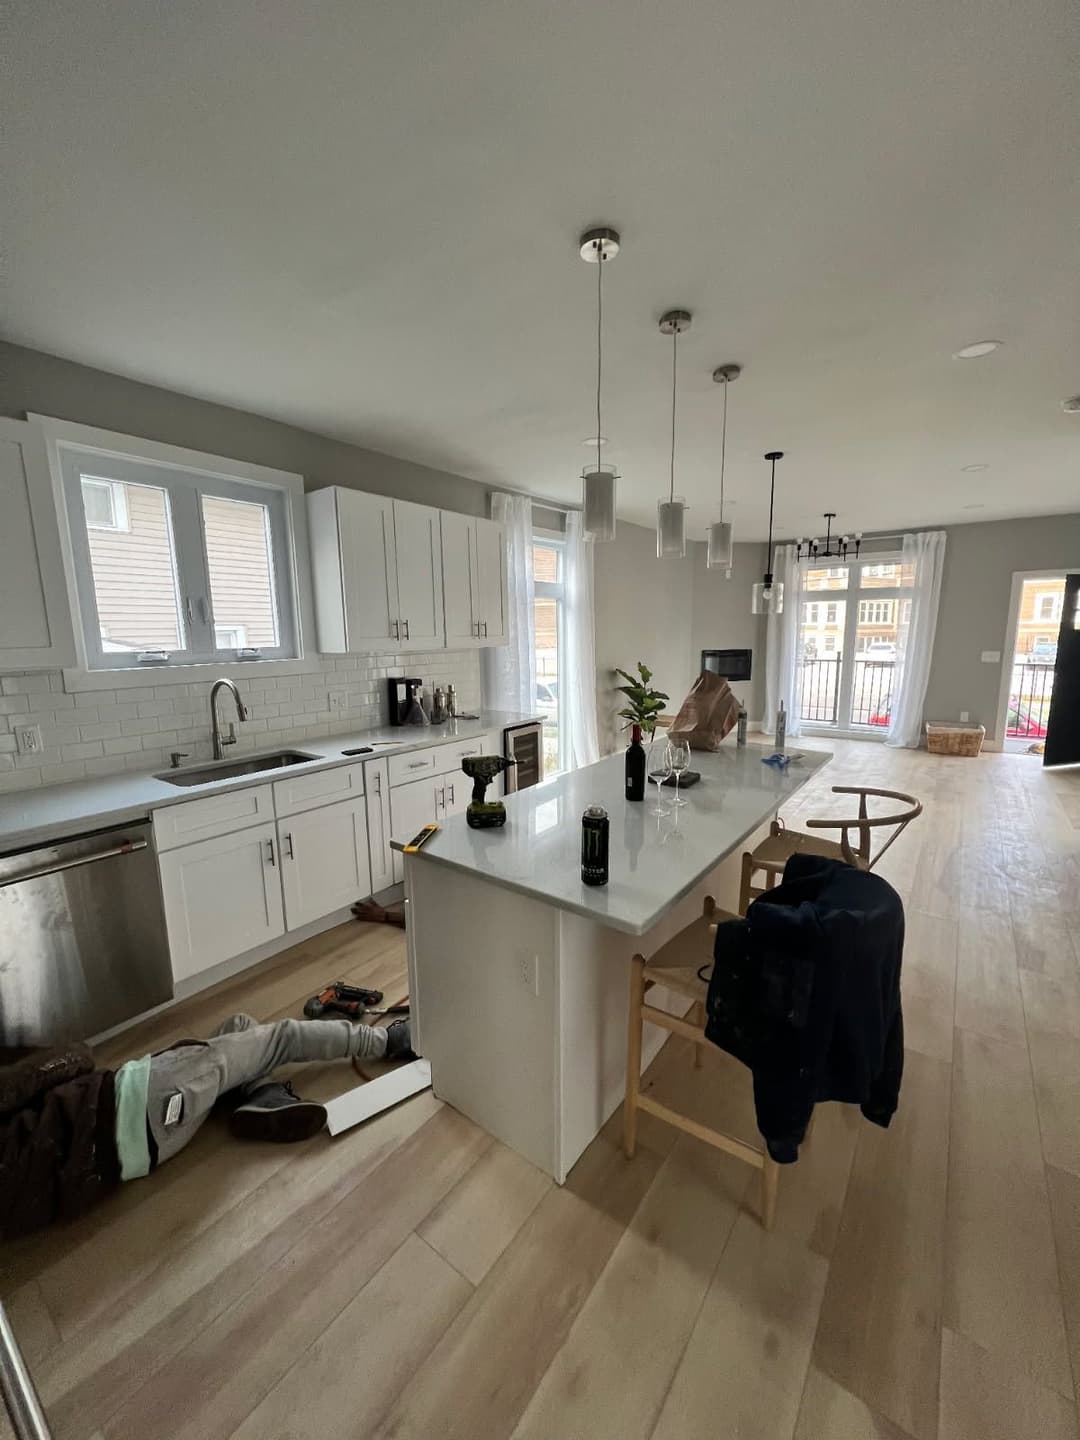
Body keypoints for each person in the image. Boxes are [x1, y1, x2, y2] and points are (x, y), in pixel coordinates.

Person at [0, 1012, 415, 1240]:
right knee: (280, 1038)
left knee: (238, 1025)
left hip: (139, 1148)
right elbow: (75, 1058)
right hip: (144, 1101)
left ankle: (263, 1097)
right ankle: (386, 1041)